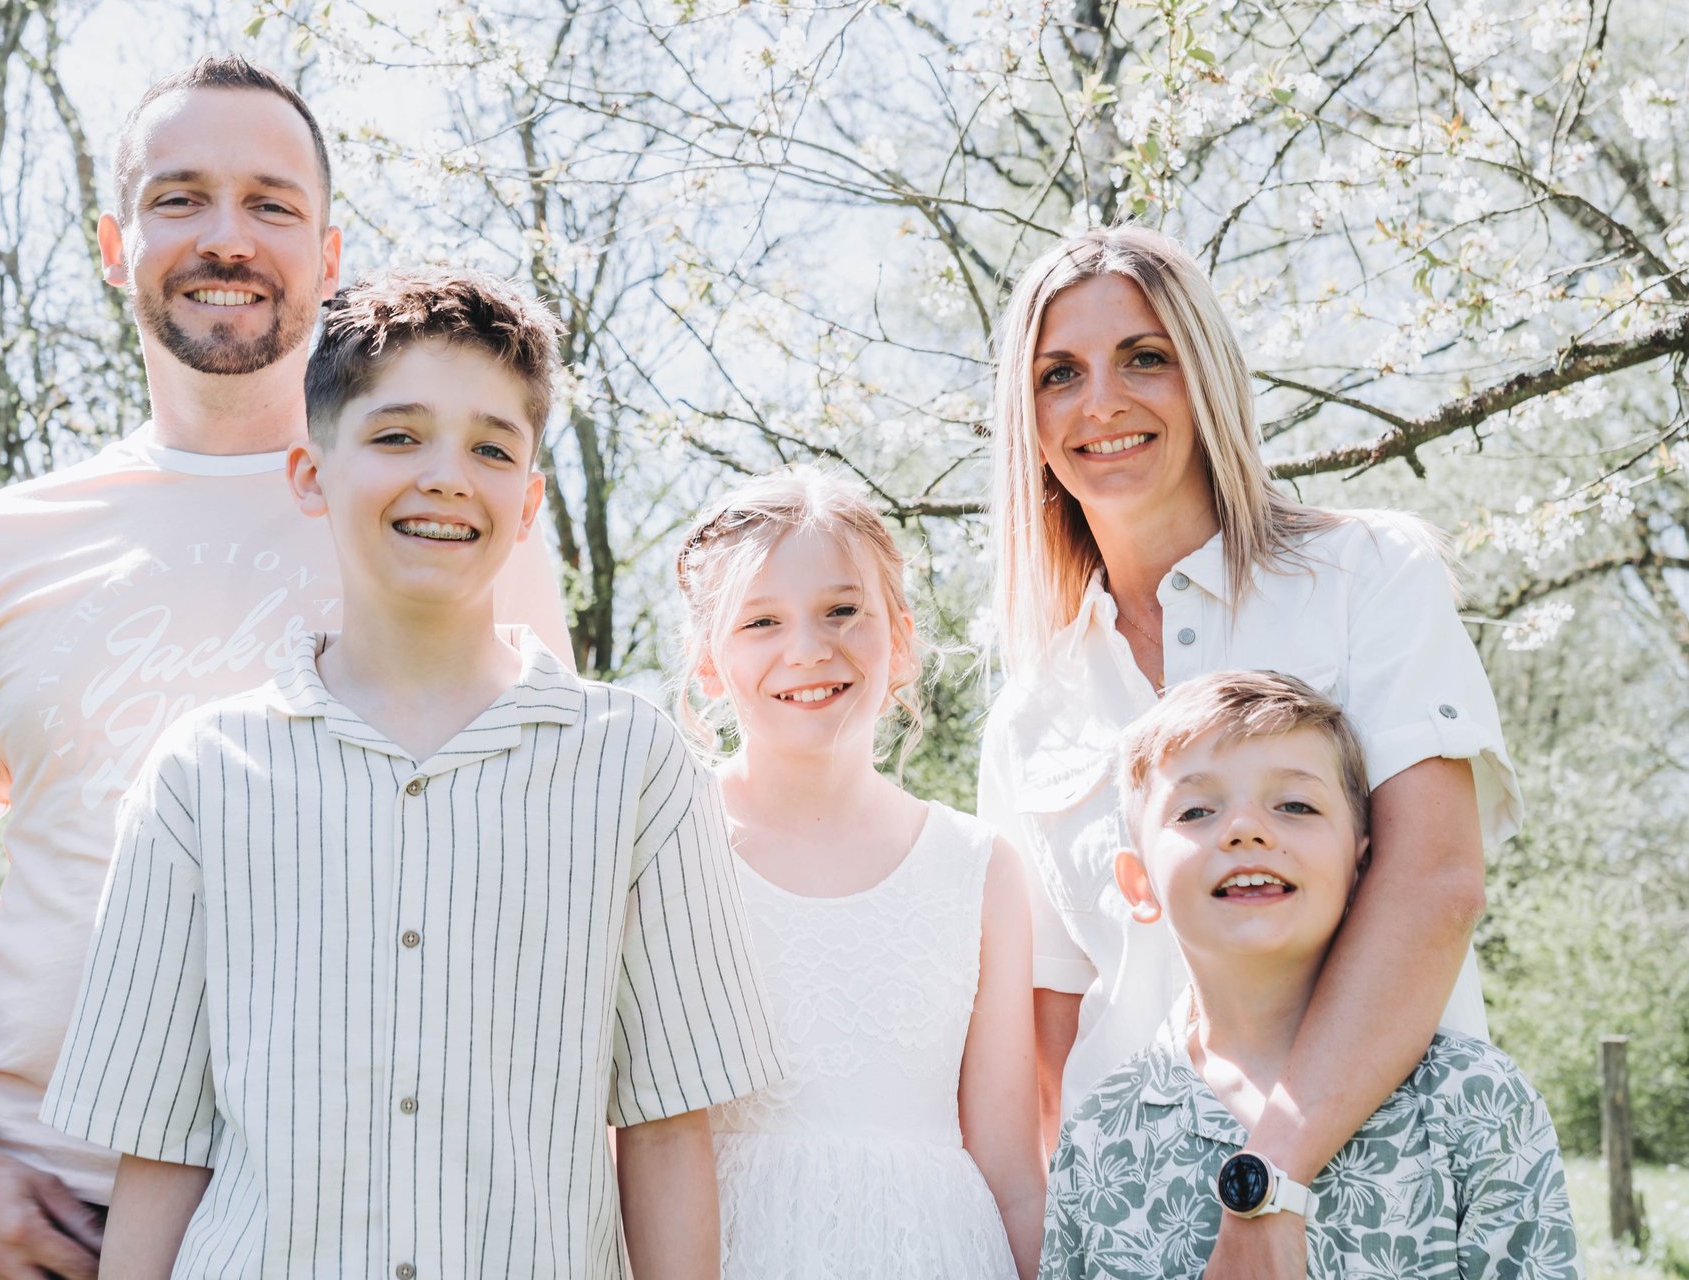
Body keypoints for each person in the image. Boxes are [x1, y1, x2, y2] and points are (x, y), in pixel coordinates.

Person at [0, 56, 571, 1280]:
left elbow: (546, 890)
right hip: (28, 1216)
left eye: (271, 203)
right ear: (116, 243)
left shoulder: (447, 520)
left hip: (327, 1227)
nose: (227, 236)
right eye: (181, 197)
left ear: (328, 255)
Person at [42, 265, 784, 1279]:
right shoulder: (201, 776)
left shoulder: (635, 762)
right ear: (312, 473)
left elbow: (663, 1127)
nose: (446, 474)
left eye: (490, 446)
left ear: (526, 503)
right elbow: (162, 1147)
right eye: (398, 435)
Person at [977, 224, 1520, 1275]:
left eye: (1145, 356)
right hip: (1135, 1221)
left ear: (1208, 374)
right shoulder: (1031, 707)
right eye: (1059, 373)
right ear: (1026, 415)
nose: (1102, 402)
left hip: (1385, 1194)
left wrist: (1270, 1181)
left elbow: (1437, 880)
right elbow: (1049, 1027)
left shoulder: (1366, 574)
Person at [1044, 670, 1577, 1277]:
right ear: (1138, 884)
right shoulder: (1099, 1138)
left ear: (1363, 863)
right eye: (1196, 811)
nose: (1246, 829)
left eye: (1295, 804)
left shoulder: (1475, 1101)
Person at [674, 467, 1044, 1279]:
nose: (808, 649)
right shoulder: (668, 850)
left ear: (900, 640)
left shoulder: (978, 868)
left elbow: (1013, 1172)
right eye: (761, 621)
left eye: (843, 610)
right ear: (709, 664)